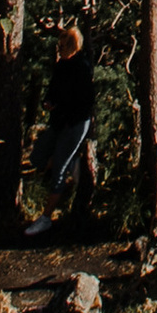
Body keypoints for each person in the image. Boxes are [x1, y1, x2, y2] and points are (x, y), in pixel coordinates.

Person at [29, 18, 99, 238]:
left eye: (62, 45)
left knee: (58, 167)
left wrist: (68, 116)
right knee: (37, 157)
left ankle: (46, 218)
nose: (59, 49)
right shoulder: (61, 66)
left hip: (74, 124)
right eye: (59, 45)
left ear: (72, 46)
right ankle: (73, 162)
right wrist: (48, 102)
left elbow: (87, 101)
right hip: (59, 122)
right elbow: (52, 91)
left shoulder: (82, 67)